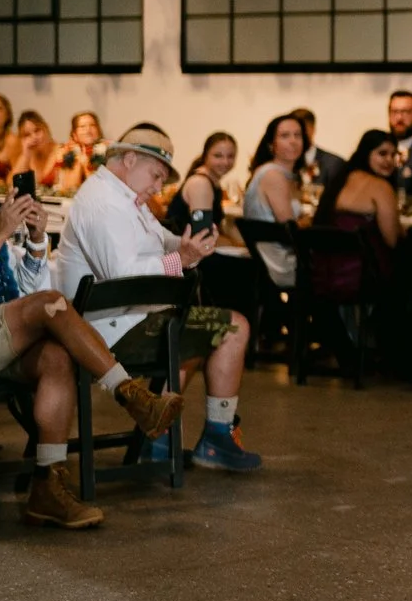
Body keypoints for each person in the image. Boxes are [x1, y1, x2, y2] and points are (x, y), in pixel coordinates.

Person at [0, 136, 179, 530]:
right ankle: (131, 394)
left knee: (57, 355)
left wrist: (32, 242)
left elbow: (28, 291)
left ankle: (48, 487)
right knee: (53, 303)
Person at [54, 126, 261, 473]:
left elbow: (159, 238)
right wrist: (181, 260)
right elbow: (124, 276)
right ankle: (215, 438)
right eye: (156, 175)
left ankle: (160, 437)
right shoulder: (105, 203)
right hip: (108, 332)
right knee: (234, 327)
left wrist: (182, 246)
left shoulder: (121, 196)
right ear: (130, 159)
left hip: (120, 319)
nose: (158, 186)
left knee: (195, 333)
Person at [315, 129, 400, 301]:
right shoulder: (381, 187)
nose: (389, 161)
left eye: (394, 155)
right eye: (382, 154)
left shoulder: (339, 181)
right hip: (363, 277)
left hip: (322, 275)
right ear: (366, 153)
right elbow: (392, 240)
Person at [237, 114, 306, 290]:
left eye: (298, 135)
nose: (293, 141)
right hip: (278, 263)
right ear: (271, 144)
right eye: (285, 136)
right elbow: (290, 229)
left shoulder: (289, 176)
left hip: (271, 258)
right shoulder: (273, 175)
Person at [160, 132, 235, 236]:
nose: (225, 162)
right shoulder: (200, 183)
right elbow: (203, 234)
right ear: (205, 156)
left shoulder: (213, 182)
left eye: (230, 156)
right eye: (218, 156)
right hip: (181, 248)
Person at [290, 108, 343, 190]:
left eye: (302, 131)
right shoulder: (280, 162)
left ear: (313, 129)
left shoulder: (334, 164)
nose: (295, 137)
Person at [50, 111, 102, 194]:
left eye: (92, 125)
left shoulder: (107, 152)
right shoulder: (66, 153)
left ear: (98, 131)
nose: (88, 130)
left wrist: (85, 166)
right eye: (82, 127)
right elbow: (70, 188)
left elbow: (98, 189)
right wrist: (79, 161)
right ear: (74, 134)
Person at [7, 110, 60, 189]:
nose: (34, 137)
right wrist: (25, 155)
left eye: (37, 130)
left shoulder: (62, 152)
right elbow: (11, 184)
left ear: (46, 128)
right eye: (27, 135)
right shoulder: (27, 157)